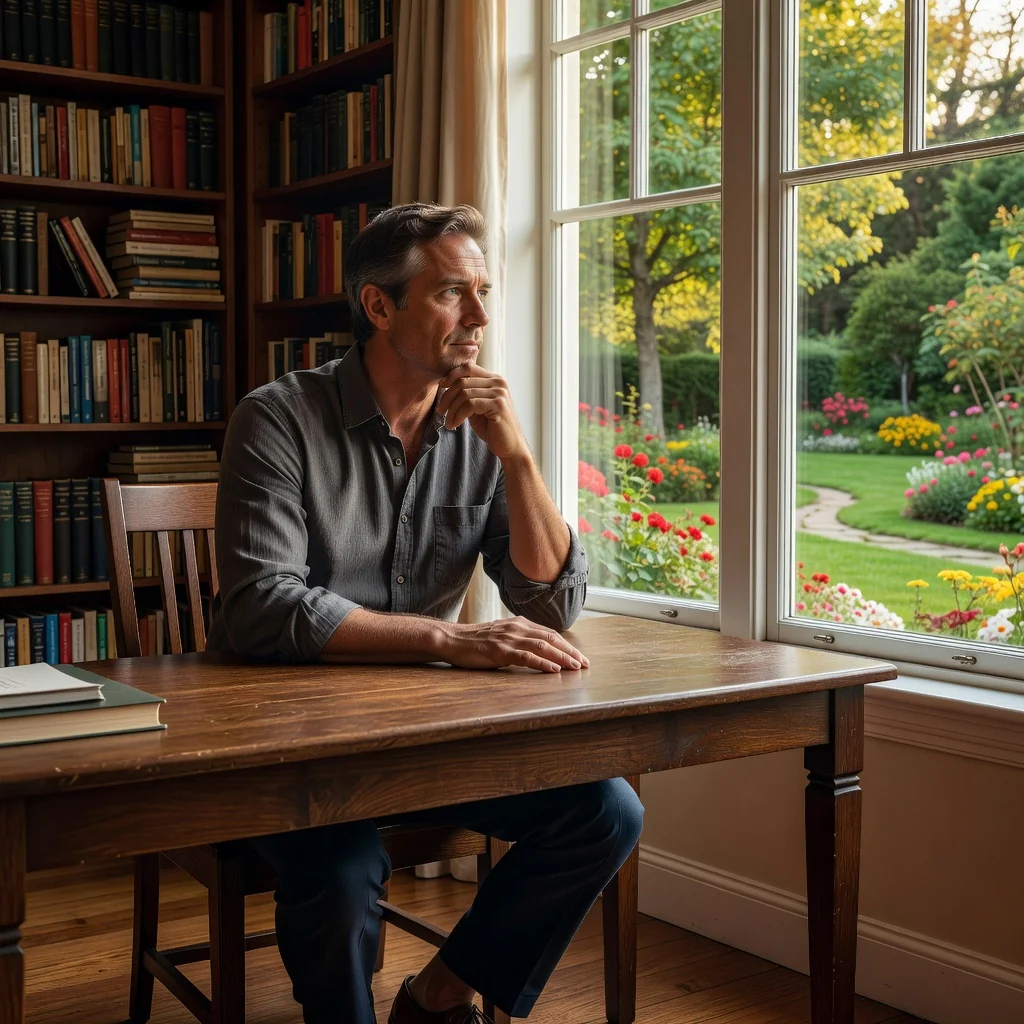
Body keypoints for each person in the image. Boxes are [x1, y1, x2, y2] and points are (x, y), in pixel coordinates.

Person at [208, 203, 644, 1024]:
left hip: (424, 745)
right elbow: (265, 607)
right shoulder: (277, 419)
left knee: (605, 810)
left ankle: (441, 994)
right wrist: (452, 638)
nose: (479, 317)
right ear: (380, 307)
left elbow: (550, 605)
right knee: (340, 875)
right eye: (453, 293)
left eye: (484, 291)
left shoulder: (479, 430)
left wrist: (514, 451)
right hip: (283, 750)